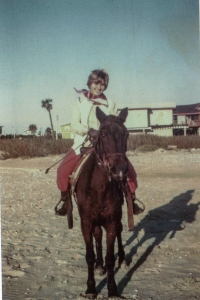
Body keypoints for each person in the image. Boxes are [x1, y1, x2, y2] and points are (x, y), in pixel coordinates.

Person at [56, 69, 143, 215]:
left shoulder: (110, 104)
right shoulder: (80, 102)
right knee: (62, 170)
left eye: (102, 84)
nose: (99, 87)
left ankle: (131, 199)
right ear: (90, 83)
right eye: (96, 83)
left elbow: (115, 125)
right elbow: (74, 124)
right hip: (83, 144)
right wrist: (88, 130)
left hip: (107, 146)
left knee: (129, 171)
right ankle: (65, 201)